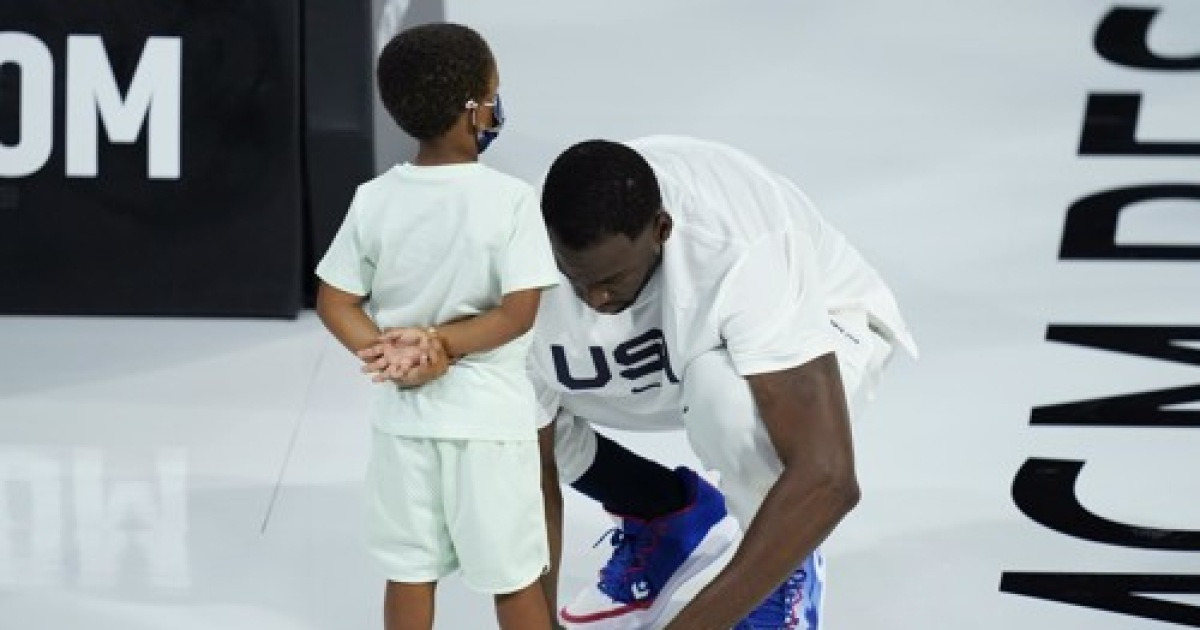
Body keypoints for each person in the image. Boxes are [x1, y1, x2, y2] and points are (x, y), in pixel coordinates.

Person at [529, 136, 919, 629]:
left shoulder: (740, 244)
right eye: (577, 279)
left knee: (726, 401)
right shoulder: (518, 262)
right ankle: (666, 515)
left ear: (661, 229)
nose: (594, 300)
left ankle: (781, 577)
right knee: (496, 405)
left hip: (814, 334)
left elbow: (827, 478)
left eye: (610, 281)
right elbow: (528, 470)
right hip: (664, 353)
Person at [314, 22, 560, 630]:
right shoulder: (510, 200)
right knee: (514, 578)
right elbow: (518, 313)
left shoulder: (375, 198)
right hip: (491, 428)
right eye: (493, 94)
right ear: (474, 111)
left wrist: (391, 355)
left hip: (403, 427)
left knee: (409, 572)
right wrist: (441, 347)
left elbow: (335, 301)